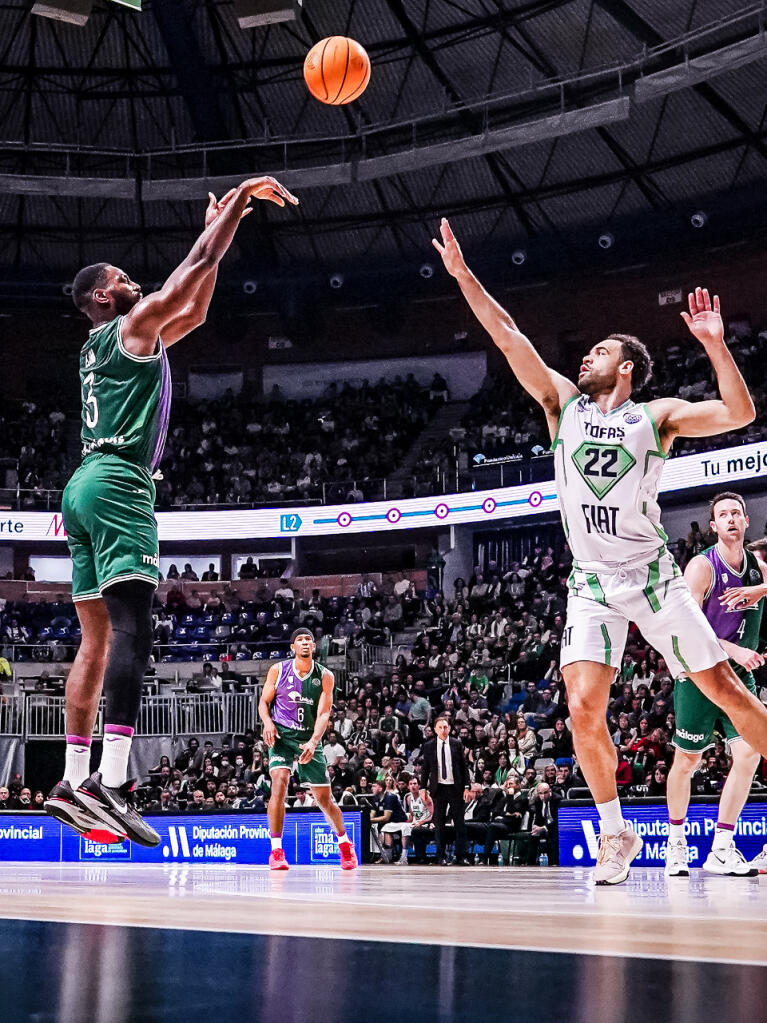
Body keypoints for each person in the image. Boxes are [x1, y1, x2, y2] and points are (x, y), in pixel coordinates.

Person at [434, 218, 767, 885]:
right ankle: (615, 834)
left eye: (597, 352)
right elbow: (509, 337)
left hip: (651, 578)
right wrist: (465, 277)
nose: (583, 358)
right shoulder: (562, 405)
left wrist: (714, 346)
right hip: (588, 581)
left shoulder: (656, 416)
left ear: (627, 368)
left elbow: (738, 412)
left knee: (724, 688)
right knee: (582, 701)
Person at [44, 175, 298, 847]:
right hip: (121, 483)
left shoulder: (103, 346)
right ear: (104, 294)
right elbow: (196, 269)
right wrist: (238, 204)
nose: (136, 282)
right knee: (133, 631)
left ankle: (71, 779)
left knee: (94, 641)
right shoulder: (129, 324)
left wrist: (213, 235)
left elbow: (196, 309)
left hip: (79, 489)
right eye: (125, 278)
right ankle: (114, 781)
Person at [665, 493, 767, 877]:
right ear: (713, 526)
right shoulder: (701, 566)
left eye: (735, 513)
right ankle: (676, 844)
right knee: (688, 760)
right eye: (722, 514)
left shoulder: (758, 567)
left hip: (740, 675)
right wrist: (735, 651)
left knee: (749, 755)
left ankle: (722, 848)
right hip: (700, 672)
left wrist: (762, 590)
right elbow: (690, 627)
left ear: (745, 521)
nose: (730, 519)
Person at [258, 628, 357, 871]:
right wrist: (268, 723)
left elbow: (324, 713)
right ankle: (277, 851)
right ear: (292, 647)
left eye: (308, 640)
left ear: (314, 647)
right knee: (279, 783)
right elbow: (264, 702)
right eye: (300, 640)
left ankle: (344, 844)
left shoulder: (325, 676)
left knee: (324, 799)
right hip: (281, 735)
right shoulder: (278, 670)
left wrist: (314, 741)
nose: (304, 643)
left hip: (308, 737)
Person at [421, 715, 471, 865]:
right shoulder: (429, 745)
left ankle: (461, 856)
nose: (444, 730)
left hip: (455, 787)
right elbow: (426, 768)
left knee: (460, 823)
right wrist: (423, 787)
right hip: (439, 788)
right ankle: (440, 856)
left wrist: (467, 786)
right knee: (439, 824)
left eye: (446, 727)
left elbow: (464, 767)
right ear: (435, 730)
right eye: (440, 727)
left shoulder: (456, 744)